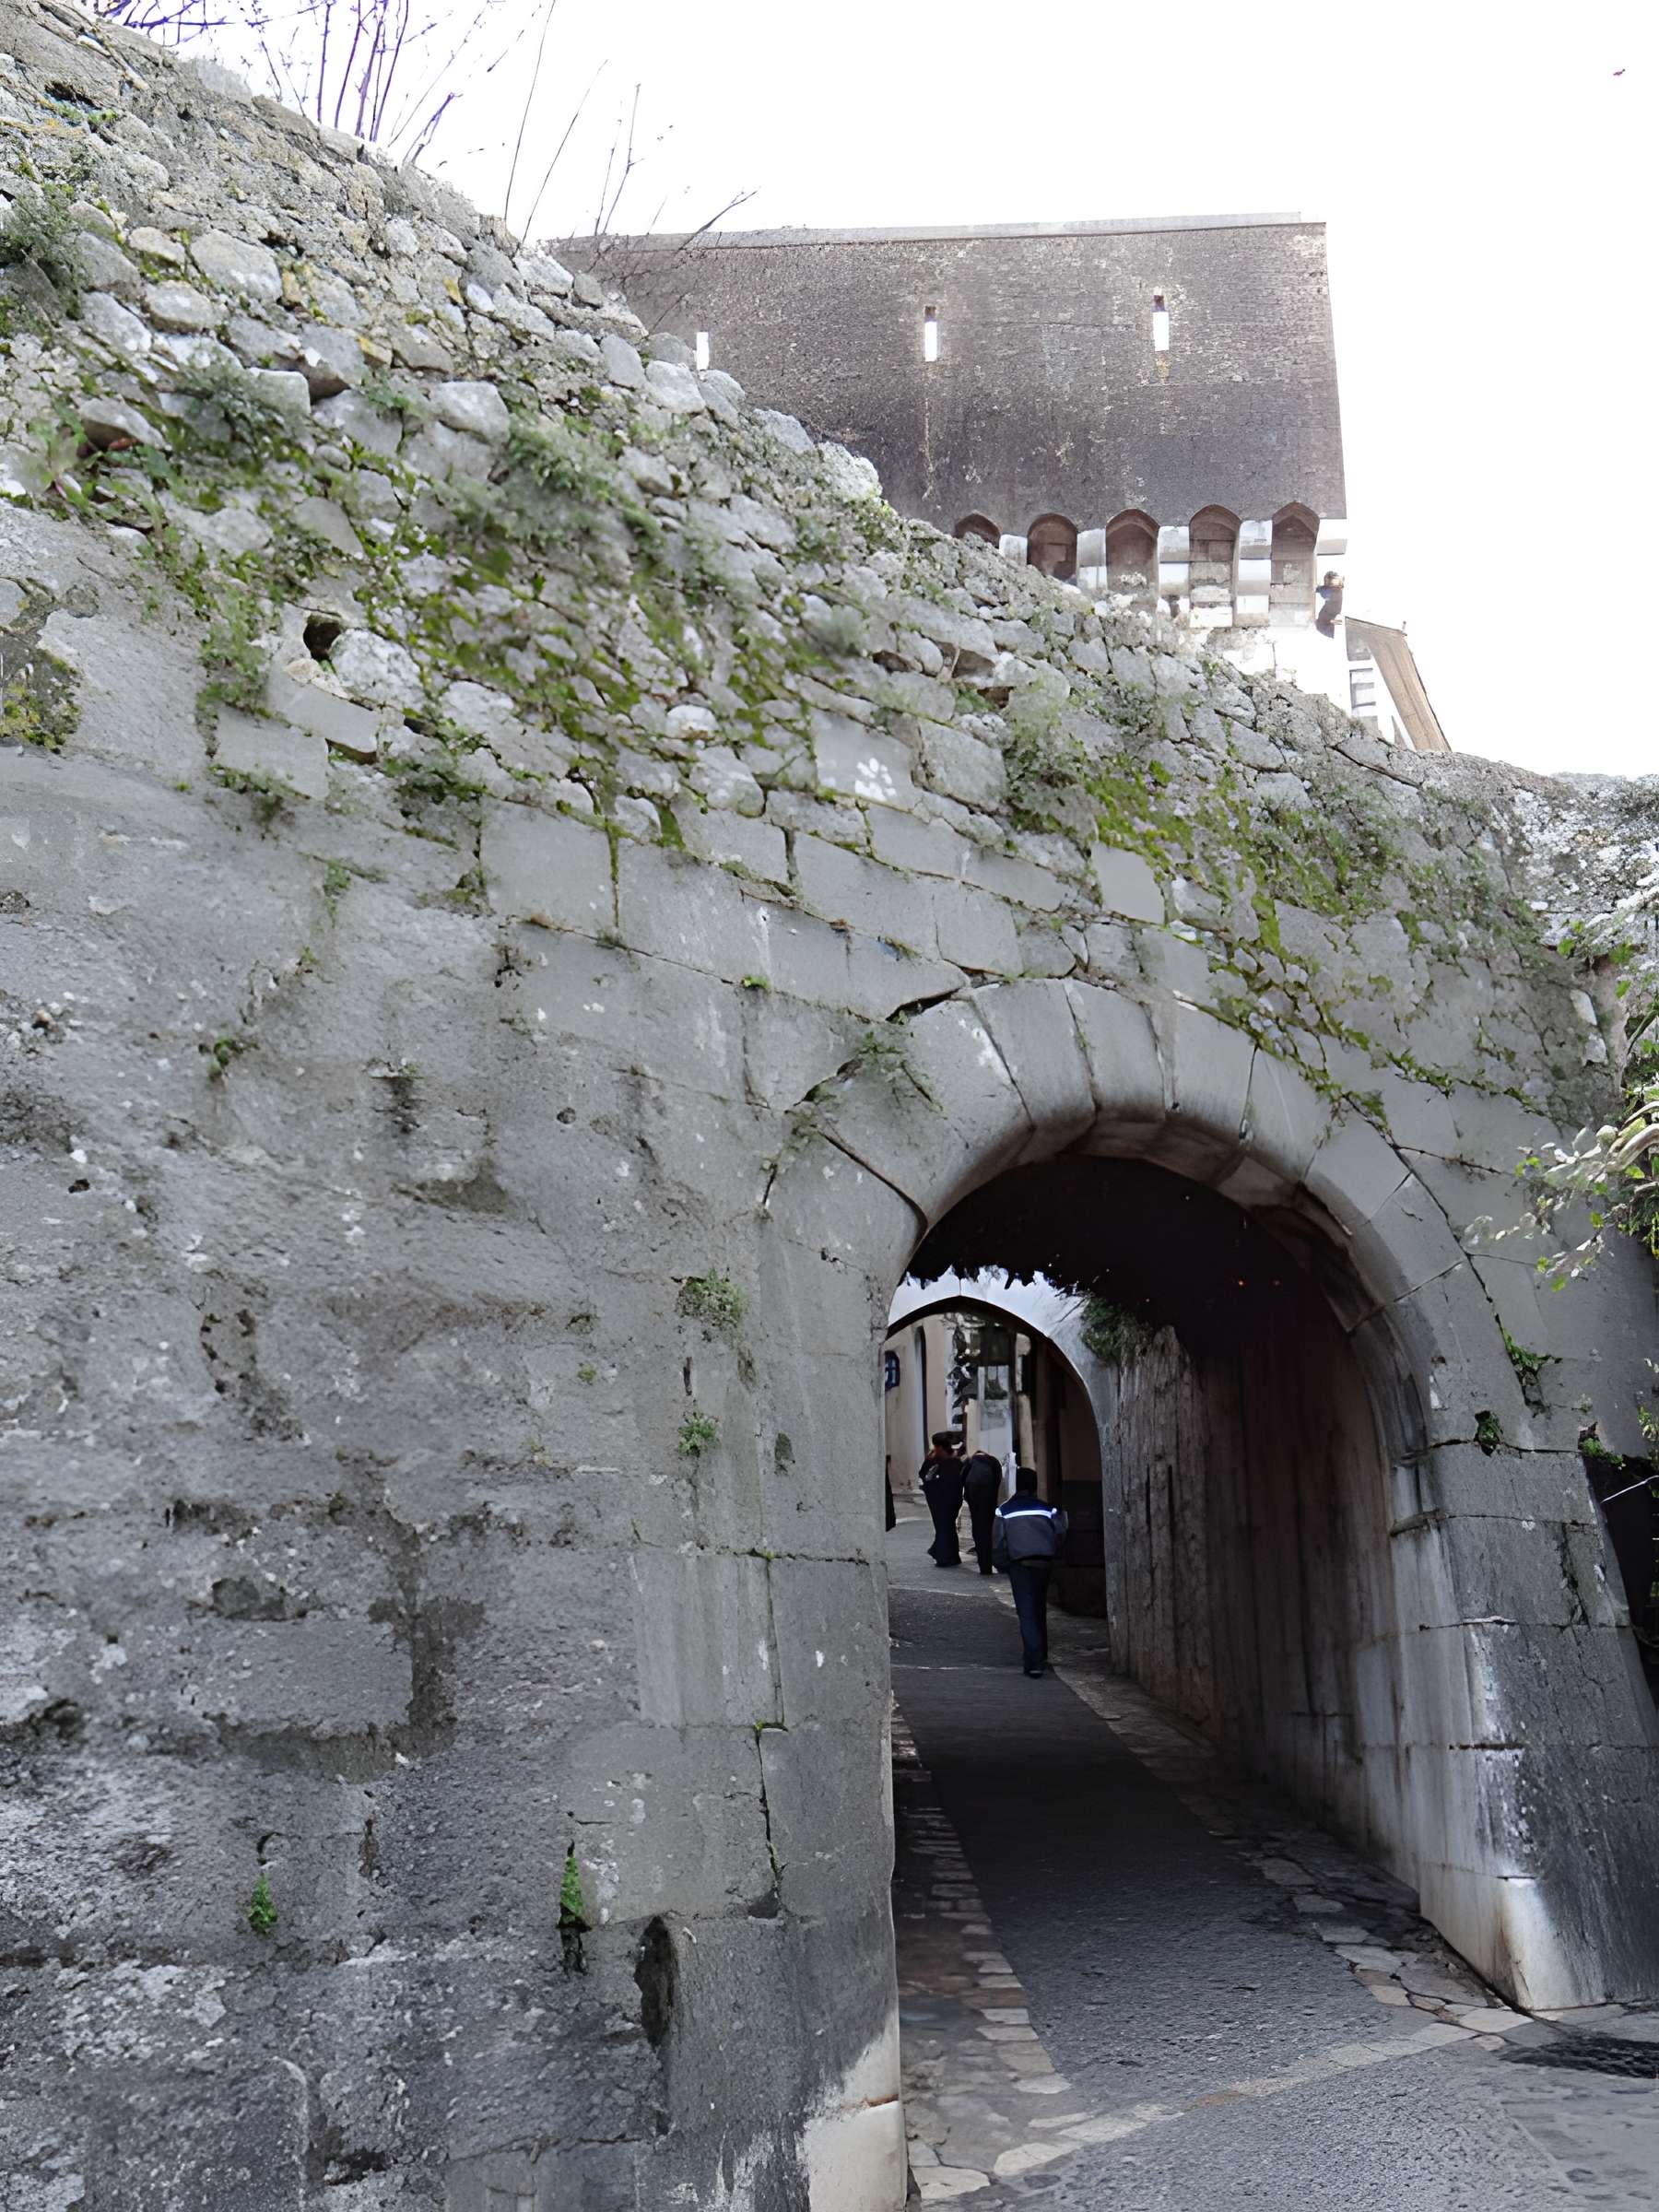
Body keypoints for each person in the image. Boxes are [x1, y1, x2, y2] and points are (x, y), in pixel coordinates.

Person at [992, 1467, 1067, 1677]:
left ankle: (1034, 1661)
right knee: (1039, 1608)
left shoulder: (1004, 1510)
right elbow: (1060, 1533)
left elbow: (998, 1541)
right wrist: (1056, 1556)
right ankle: (1041, 1655)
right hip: (1044, 1563)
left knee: (1026, 1612)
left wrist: (1001, 1564)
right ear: (1034, 1485)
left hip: (1020, 1564)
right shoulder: (1047, 1509)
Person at [919, 1430, 966, 1567]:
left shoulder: (935, 1460)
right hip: (950, 1498)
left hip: (940, 1499)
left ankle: (943, 1555)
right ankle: (950, 1555)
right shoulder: (956, 1460)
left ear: (939, 1447)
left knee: (943, 1526)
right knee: (947, 1525)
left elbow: (923, 1475)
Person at [961, 1449, 1004, 1575]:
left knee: (979, 1531)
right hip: (990, 1499)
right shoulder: (993, 1461)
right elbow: (998, 1480)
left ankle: (984, 1566)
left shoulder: (970, 1462)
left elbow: (962, 1480)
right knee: (990, 1530)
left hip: (974, 1499)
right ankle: (993, 1561)